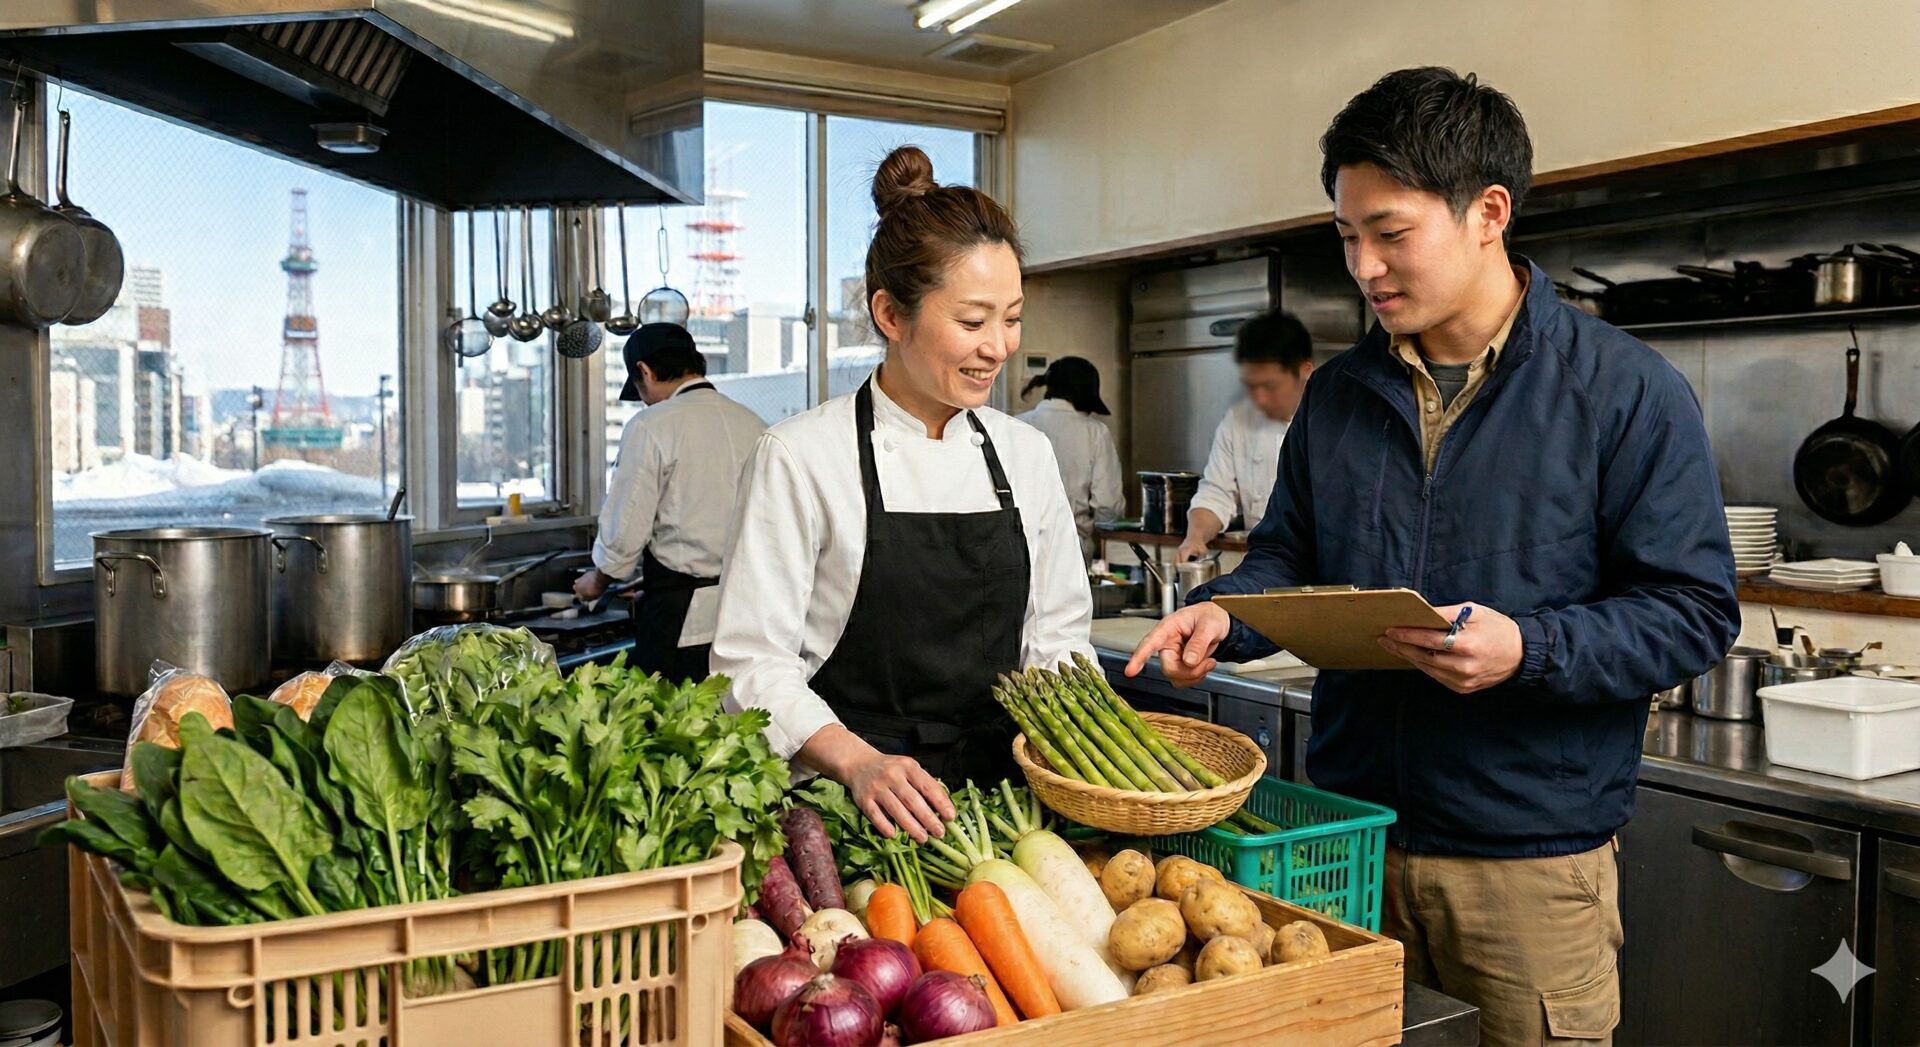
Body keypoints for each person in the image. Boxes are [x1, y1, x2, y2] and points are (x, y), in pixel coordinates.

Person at [1127, 68, 1736, 1045]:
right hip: (1351, 851)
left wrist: (1526, 650)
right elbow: (1287, 557)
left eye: (1390, 232)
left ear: (1488, 212)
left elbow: (1693, 613)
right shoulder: (1339, 394)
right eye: (1346, 235)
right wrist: (1226, 613)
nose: (1364, 265)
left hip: (1528, 869)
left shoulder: (1624, 393)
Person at [712, 145, 1095, 843]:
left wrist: (1092, 754)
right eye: (973, 321)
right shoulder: (800, 456)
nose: (1001, 345)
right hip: (851, 812)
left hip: (1007, 813)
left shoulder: (1026, 454)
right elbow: (750, 668)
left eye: (1012, 317)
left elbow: (1057, 641)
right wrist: (859, 762)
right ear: (890, 314)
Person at [575, 323, 766, 684]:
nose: (644, 398)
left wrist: (597, 581)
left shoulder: (652, 425)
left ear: (644, 371)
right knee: (732, 728)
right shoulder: (753, 423)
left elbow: (627, 525)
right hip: (746, 613)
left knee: (671, 728)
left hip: (680, 622)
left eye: (640, 389)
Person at [1174, 309, 1314, 562]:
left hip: (1319, 571)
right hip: (1262, 565)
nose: (1259, 398)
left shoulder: (1334, 419)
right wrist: (1195, 537)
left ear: (1305, 372)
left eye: (1270, 386)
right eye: (1251, 386)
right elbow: (1217, 493)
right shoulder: (1238, 420)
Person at [1018, 356, 1124, 560]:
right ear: (1083, 396)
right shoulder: (1094, 432)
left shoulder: (1016, 426)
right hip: (1071, 550)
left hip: (1016, 549)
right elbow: (1107, 504)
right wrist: (1104, 543)